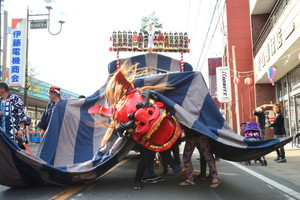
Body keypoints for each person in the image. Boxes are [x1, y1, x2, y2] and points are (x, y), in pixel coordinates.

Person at [0, 82, 27, 149]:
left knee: (15, 154)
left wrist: (21, 129)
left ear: (2, 89)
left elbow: (21, 114)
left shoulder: (15, 98)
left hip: (14, 134)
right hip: (2, 135)